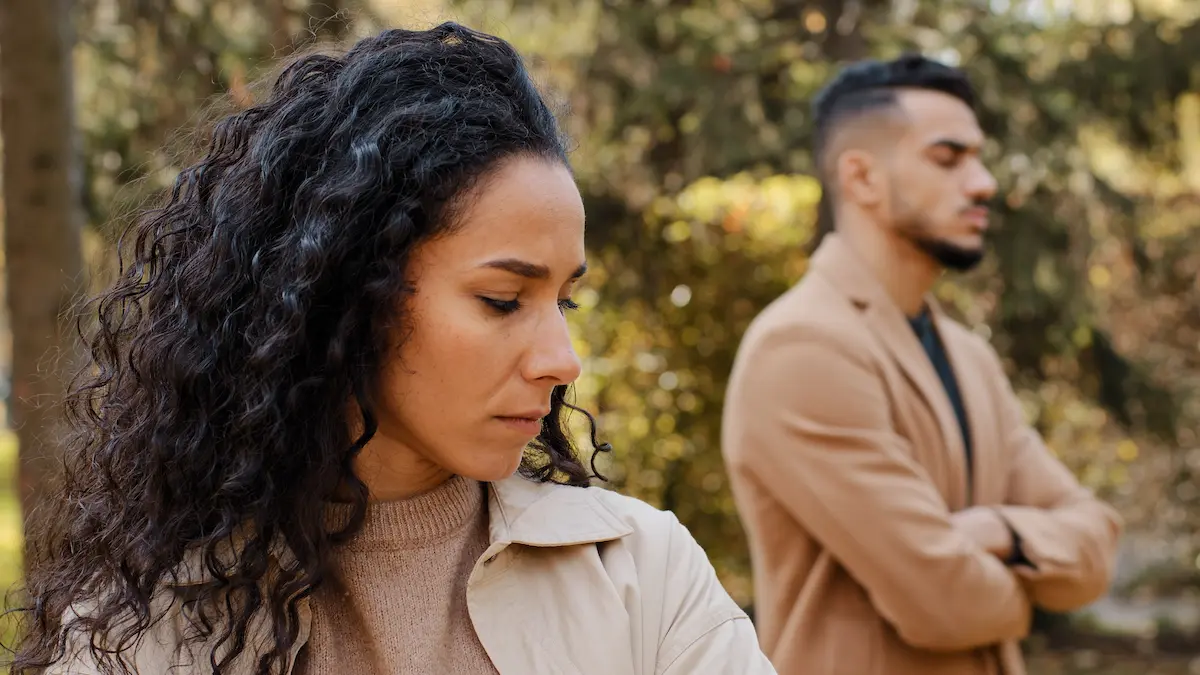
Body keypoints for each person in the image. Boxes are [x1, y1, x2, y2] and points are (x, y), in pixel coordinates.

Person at [9, 23, 776, 675]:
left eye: (563, 299)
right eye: (504, 300)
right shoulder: (150, 634)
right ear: (348, 293)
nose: (563, 358)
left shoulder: (642, 575)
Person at [721, 54, 1123, 675]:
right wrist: (1032, 589)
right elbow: (945, 605)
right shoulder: (803, 346)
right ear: (861, 178)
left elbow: (1097, 541)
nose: (984, 182)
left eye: (979, 157)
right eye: (948, 157)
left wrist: (996, 530)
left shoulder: (969, 355)